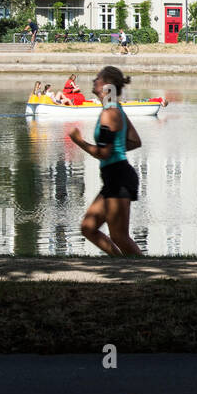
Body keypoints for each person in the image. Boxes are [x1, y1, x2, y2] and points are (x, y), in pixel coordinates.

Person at [71, 66, 144, 256]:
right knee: (88, 227)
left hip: (119, 176)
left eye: (98, 79)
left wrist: (79, 142)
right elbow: (134, 141)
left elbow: (103, 153)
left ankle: (147, 270)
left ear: (107, 86)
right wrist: (116, 148)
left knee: (119, 236)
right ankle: (120, 263)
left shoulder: (109, 113)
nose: (94, 81)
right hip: (113, 177)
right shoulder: (114, 108)